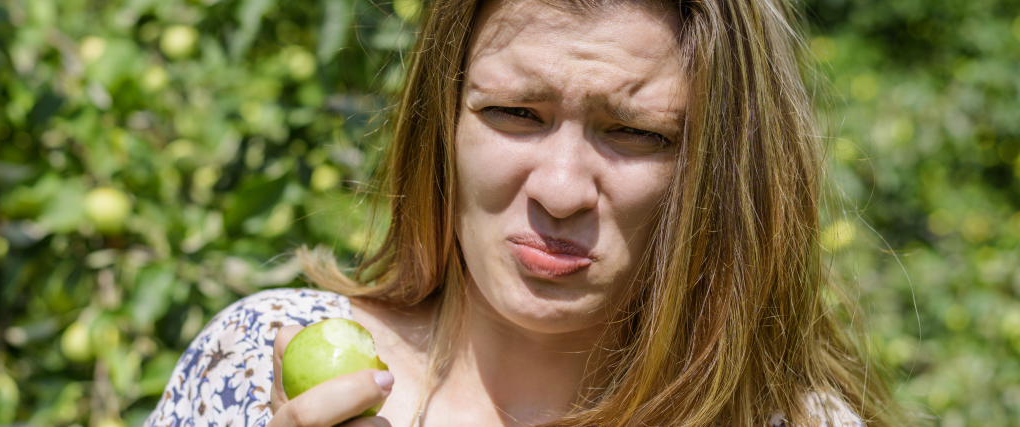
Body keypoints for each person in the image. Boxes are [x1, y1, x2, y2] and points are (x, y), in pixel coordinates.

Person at [145, 0, 902, 425]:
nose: (562, 188)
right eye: (514, 113)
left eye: (636, 132)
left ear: (720, 171)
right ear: (442, 122)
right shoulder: (256, 366)